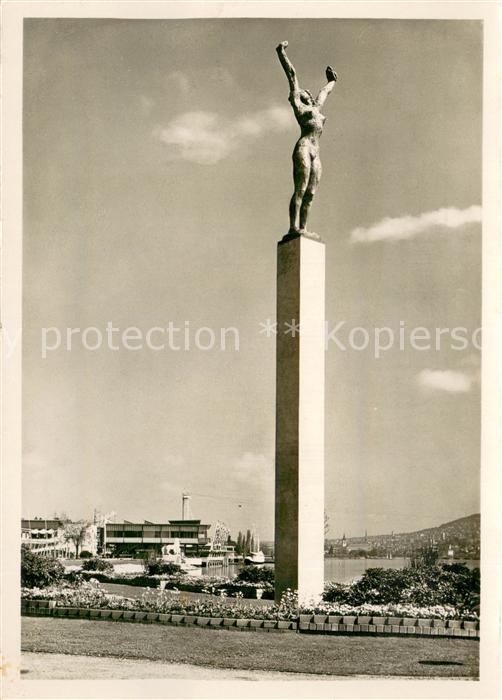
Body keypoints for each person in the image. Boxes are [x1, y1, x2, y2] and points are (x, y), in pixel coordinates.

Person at [276, 41, 337, 234]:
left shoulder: (316, 109)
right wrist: (281, 52)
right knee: (300, 190)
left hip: (315, 151)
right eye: (304, 93)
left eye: (308, 94)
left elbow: (324, 92)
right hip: (303, 148)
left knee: (310, 194)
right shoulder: (300, 108)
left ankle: (303, 228)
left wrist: (332, 81)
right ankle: (294, 228)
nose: (308, 93)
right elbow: (292, 76)